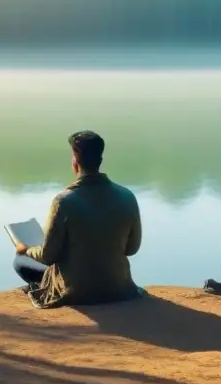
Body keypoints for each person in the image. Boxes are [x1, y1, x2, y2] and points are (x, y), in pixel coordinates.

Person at [13, 130, 142, 308]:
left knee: (20, 262)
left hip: (78, 291)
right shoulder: (127, 196)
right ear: (100, 160)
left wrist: (25, 249)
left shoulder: (63, 201)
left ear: (75, 160)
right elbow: (132, 249)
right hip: (119, 287)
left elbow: (48, 256)